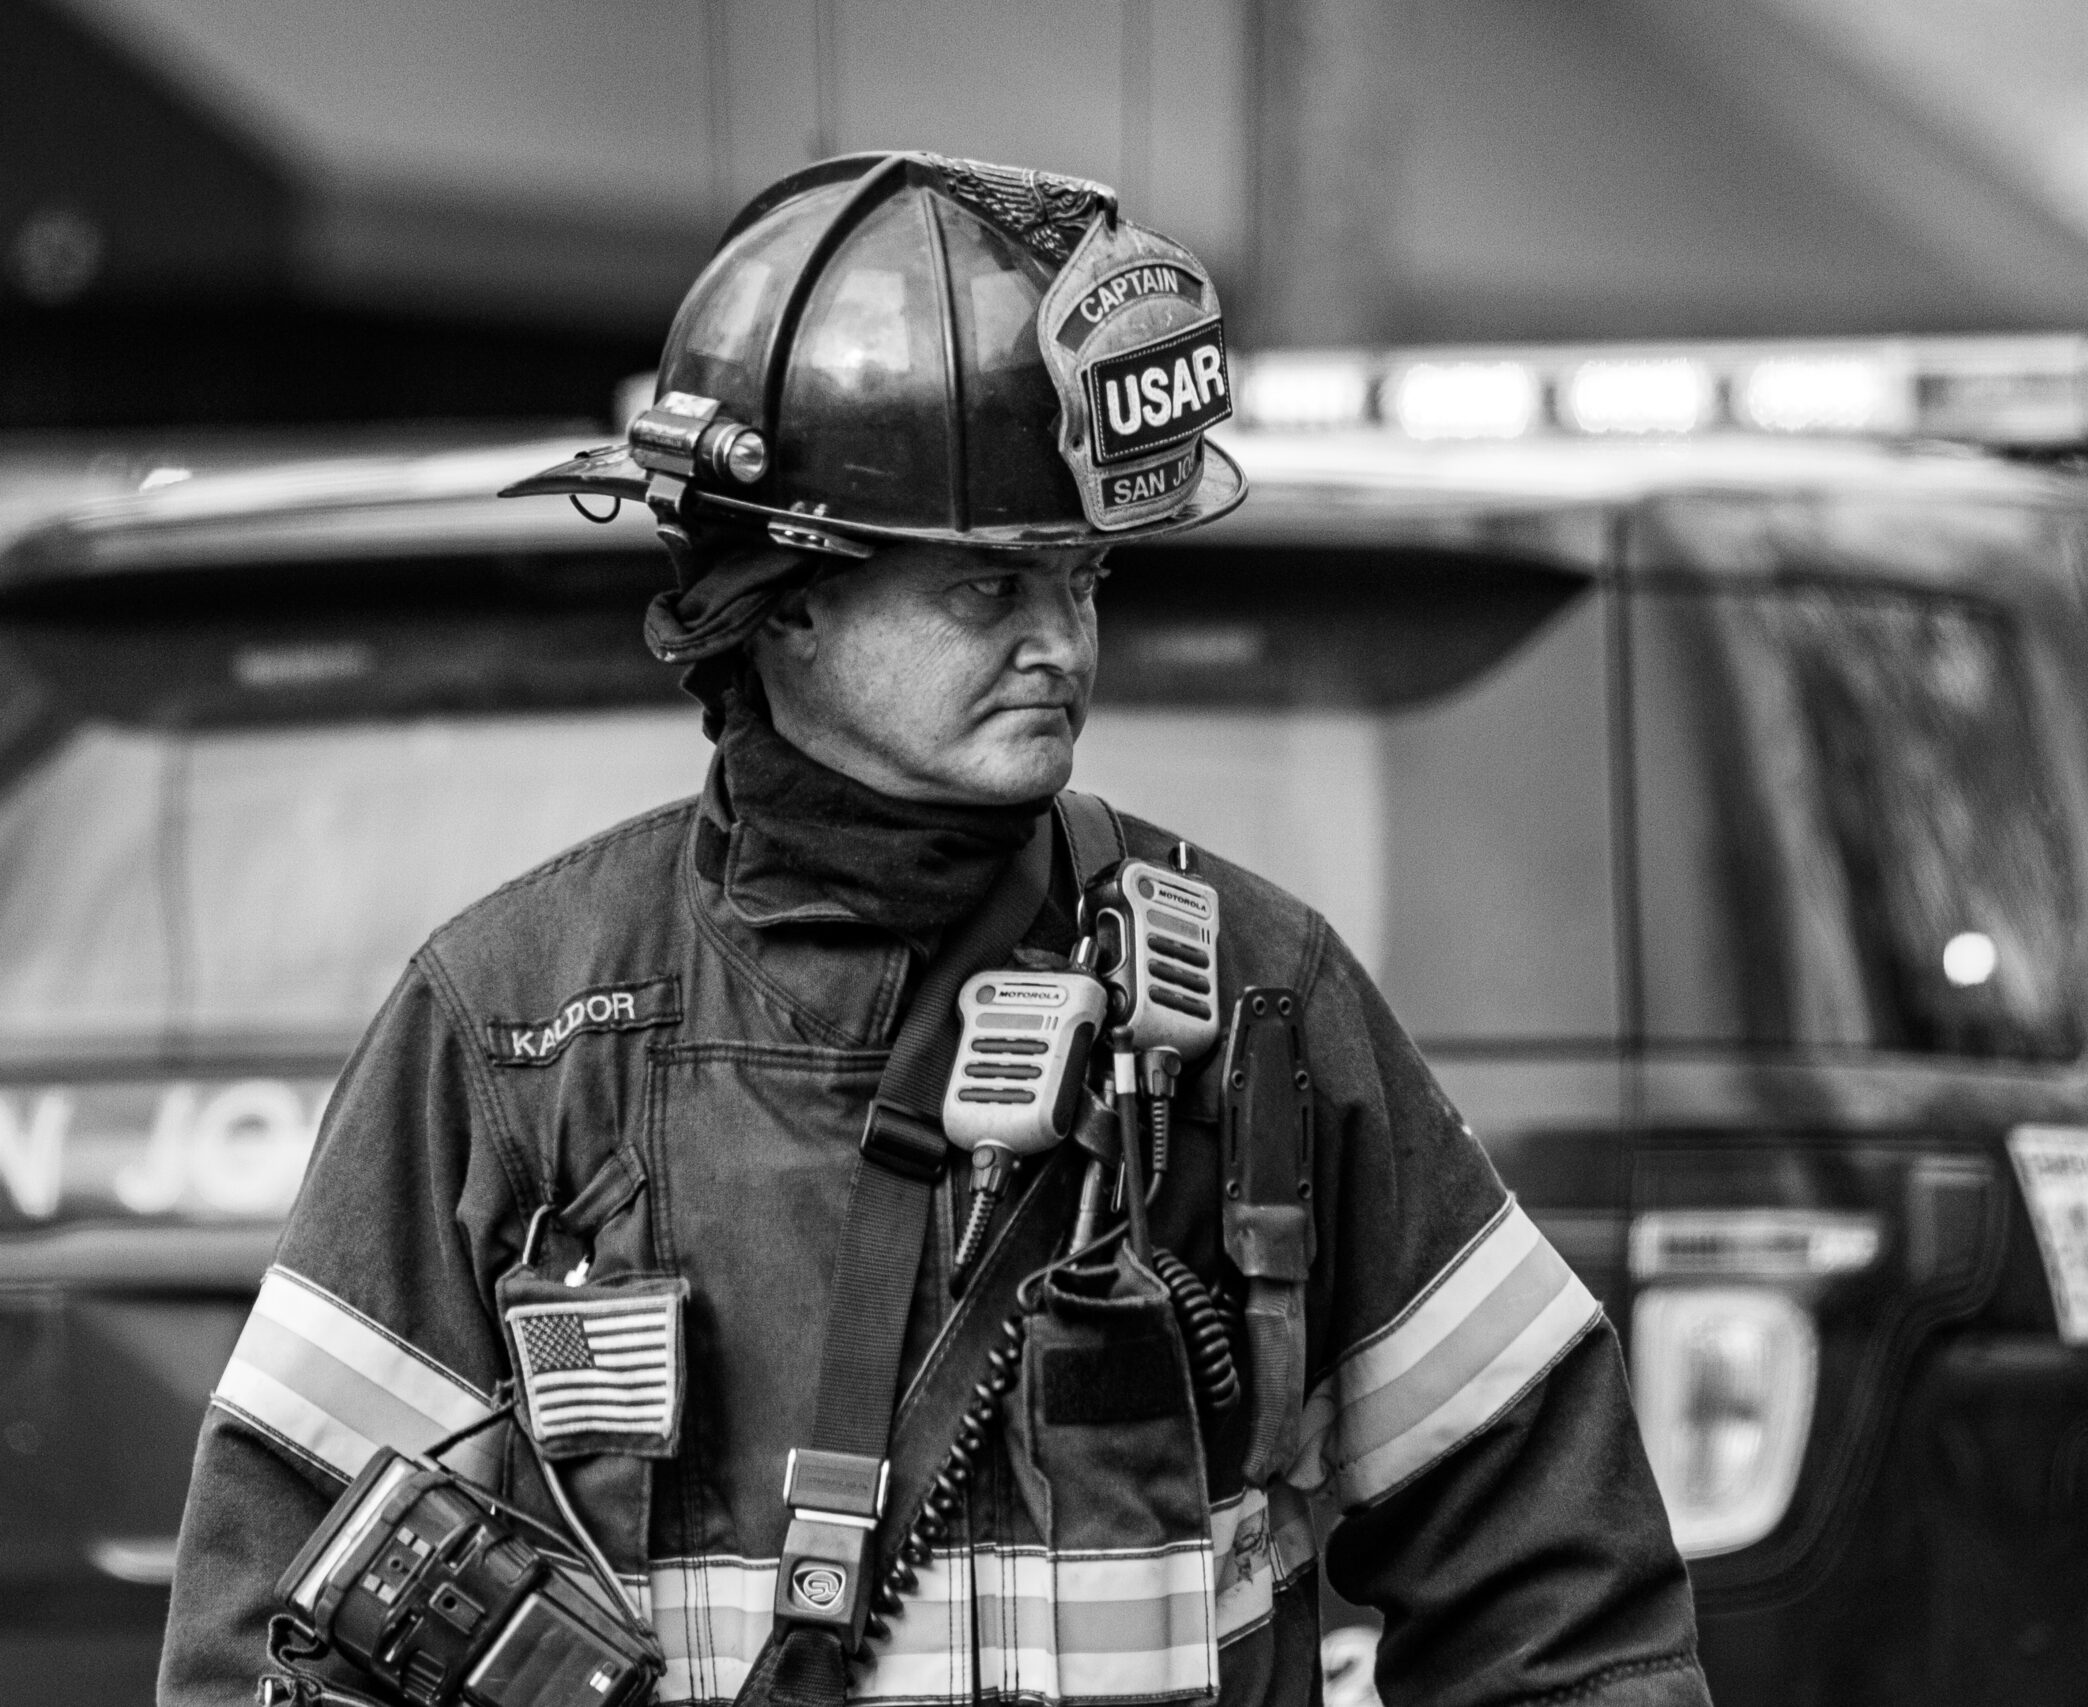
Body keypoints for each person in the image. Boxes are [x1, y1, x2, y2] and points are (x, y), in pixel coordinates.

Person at [160, 152, 1710, 1707]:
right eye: (987, 591)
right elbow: (271, 1635)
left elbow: (1566, 1615)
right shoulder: (514, 1031)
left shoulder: (1259, 997)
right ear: (784, 597)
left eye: (1083, 578)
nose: (1062, 643)